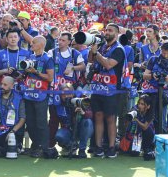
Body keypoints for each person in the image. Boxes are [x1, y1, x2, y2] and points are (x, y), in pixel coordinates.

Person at [89, 23, 127, 158]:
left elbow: (108, 64)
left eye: (110, 30)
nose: (107, 32)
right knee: (98, 116)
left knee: (111, 118)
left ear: (116, 34)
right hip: (98, 88)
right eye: (106, 30)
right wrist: (92, 51)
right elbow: (90, 61)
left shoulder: (119, 49)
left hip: (112, 90)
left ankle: (111, 147)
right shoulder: (103, 47)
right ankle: (98, 147)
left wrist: (96, 53)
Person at [47, 31, 85, 151]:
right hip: (54, 90)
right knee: (53, 118)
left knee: (68, 118)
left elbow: (83, 66)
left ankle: (67, 144)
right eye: (59, 40)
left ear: (69, 41)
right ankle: (50, 145)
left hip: (69, 90)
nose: (60, 42)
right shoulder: (52, 52)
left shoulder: (74, 53)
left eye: (63, 40)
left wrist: (73, 67)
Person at [22, 35, 54, 158]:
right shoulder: (30, 57)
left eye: (34, 43)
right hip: (29, 94)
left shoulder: (47, 58)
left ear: (41, 44)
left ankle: (43, 147)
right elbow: (26, 74)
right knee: (30, 122)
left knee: (41, 122)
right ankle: (35, 145)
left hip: (41, 95)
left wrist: (36, 72)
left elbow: (50, 78)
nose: (31, 45)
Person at [143, 41, 168, 133]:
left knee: (161, 119)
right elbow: (144, 75)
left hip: (163, 95)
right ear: (161, 50)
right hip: (150, 92)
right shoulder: (153, 59)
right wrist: (152, 75)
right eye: (163, 53)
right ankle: (147, 142)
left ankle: (160, 141)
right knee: (148, 119)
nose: (166, 55)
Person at [55, 83, 93, 158]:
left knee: (88, 122)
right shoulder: (58, 104)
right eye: (63, 94)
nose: (66, 96)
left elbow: (91, 114)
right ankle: (71, 146)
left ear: (72, 94)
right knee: (59, 136)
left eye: (68, 93)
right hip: (68, 130)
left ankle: (82, 150)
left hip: (80, 130)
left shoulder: (79, 100)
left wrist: (83, 112)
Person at [121, 94, 155, 161]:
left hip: (146, 136)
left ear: (148, 106)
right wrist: (129, 118)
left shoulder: (151, 113)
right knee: (133, 153)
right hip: (134, 135)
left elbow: (145, 127)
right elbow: (125, 125)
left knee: (149, 130)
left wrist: (136, 120)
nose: (139, 106)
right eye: (139, 103)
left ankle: (147, 149)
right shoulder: (135, 109)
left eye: (142, 104)